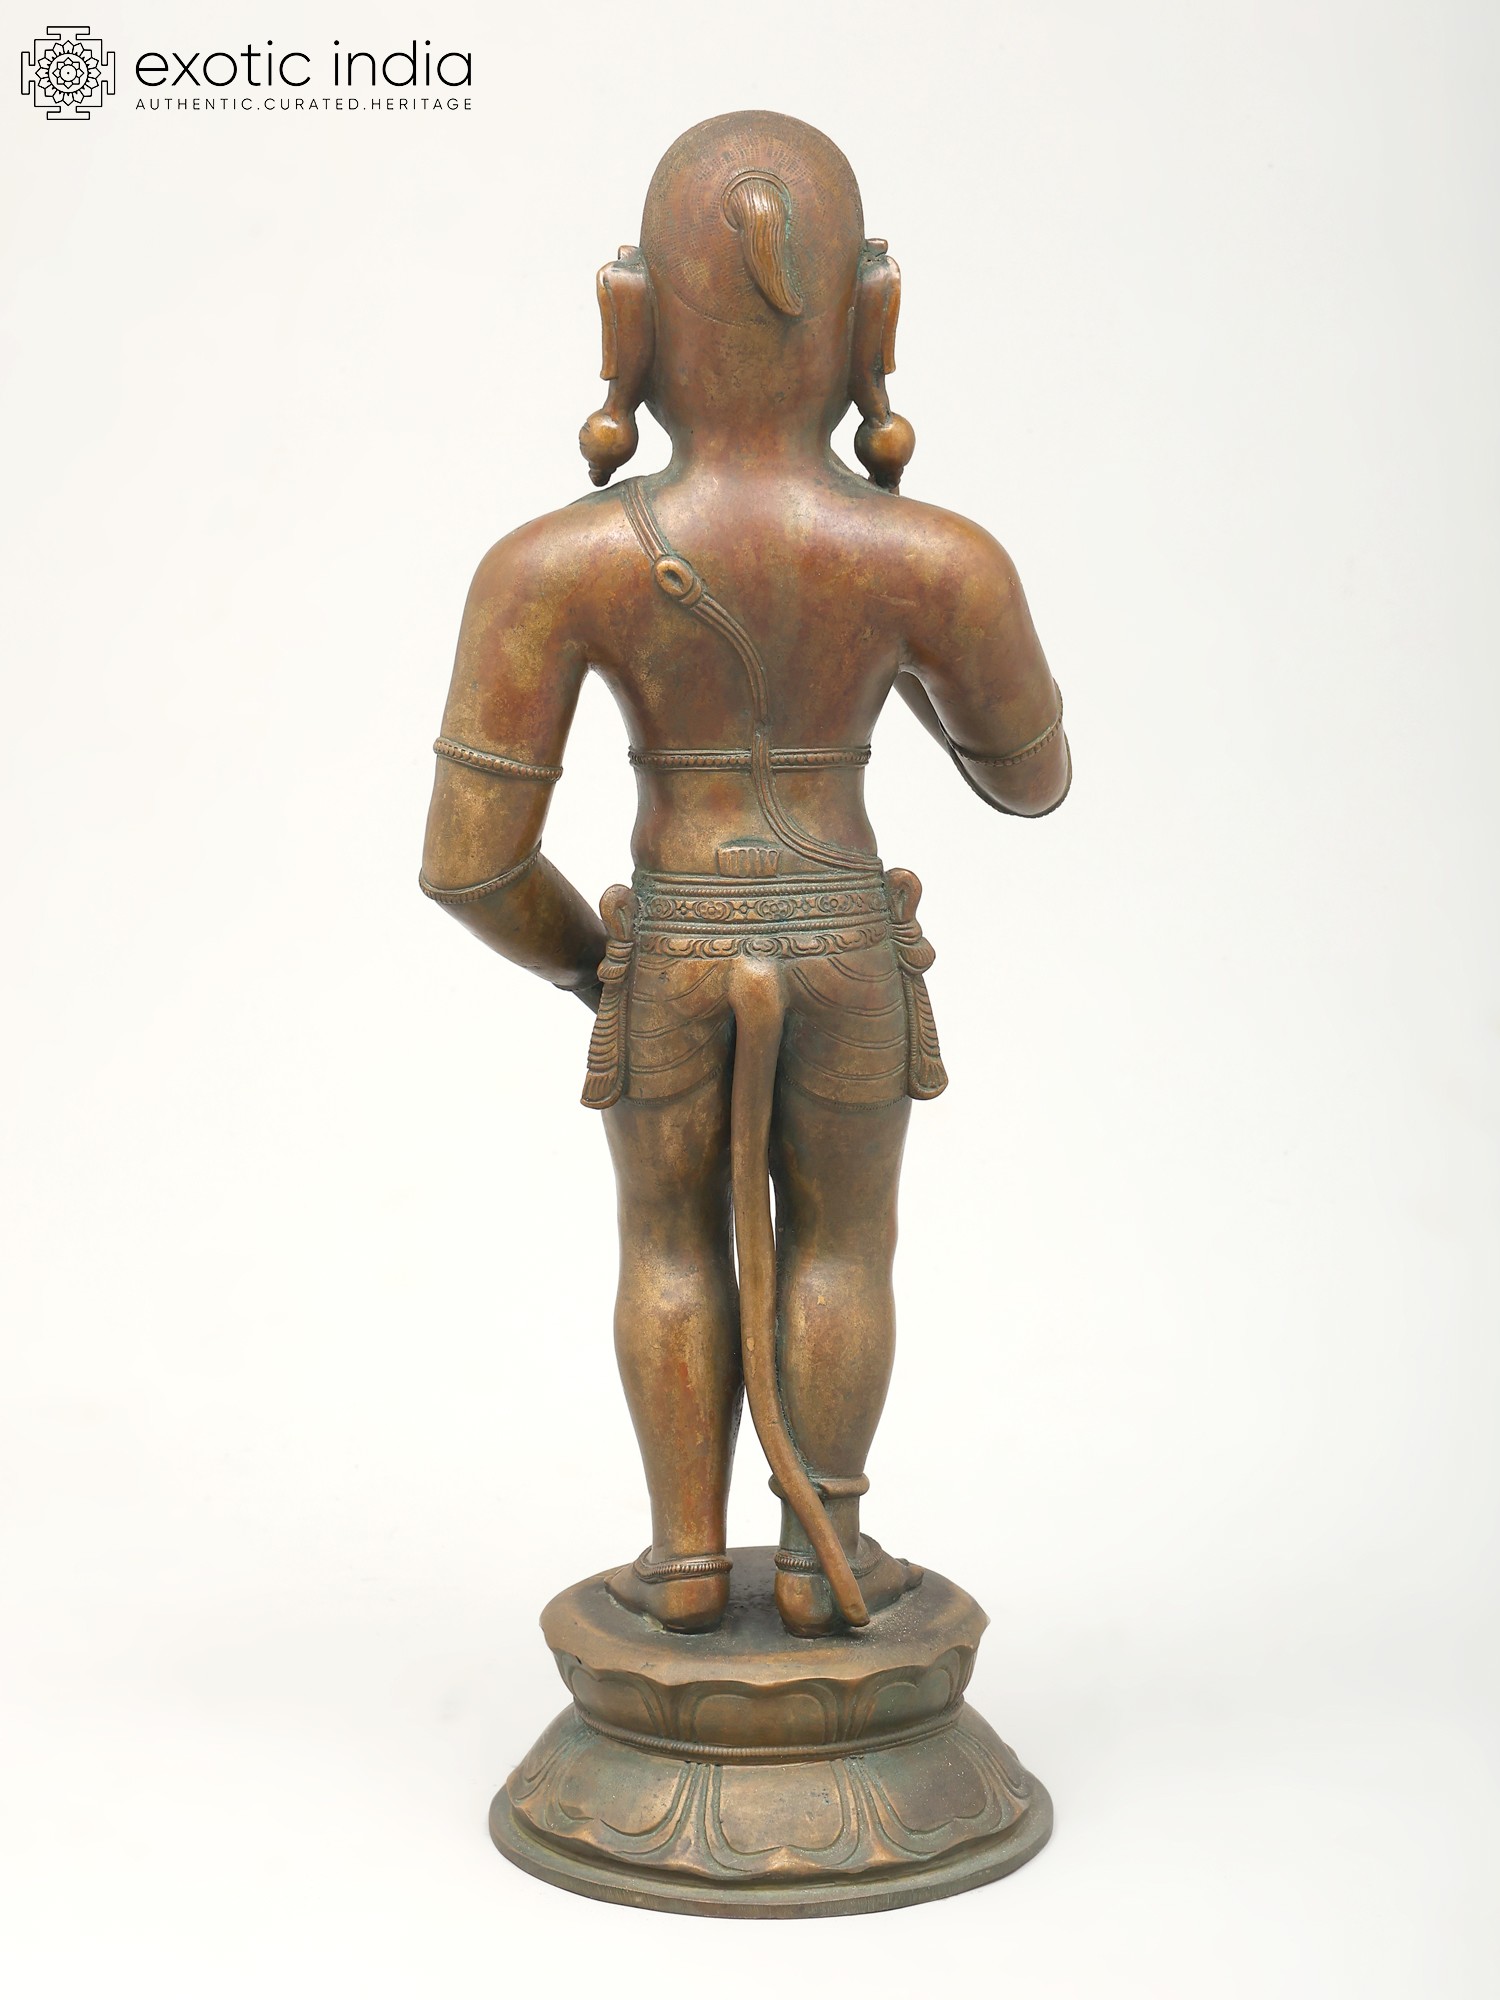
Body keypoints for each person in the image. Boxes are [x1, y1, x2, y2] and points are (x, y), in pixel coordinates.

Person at [420, 110, 1070, 1640]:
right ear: (873, 319)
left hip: (673, 939)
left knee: (666, 1240)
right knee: (840, 1241)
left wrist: (596, 962)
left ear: (629, 319)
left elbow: (471, 866)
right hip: (844, 937)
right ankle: (830, 1551)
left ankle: (686, 1560)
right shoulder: (934, 562)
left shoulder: (551, 568)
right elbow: (1030, 777)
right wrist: (910, 652)